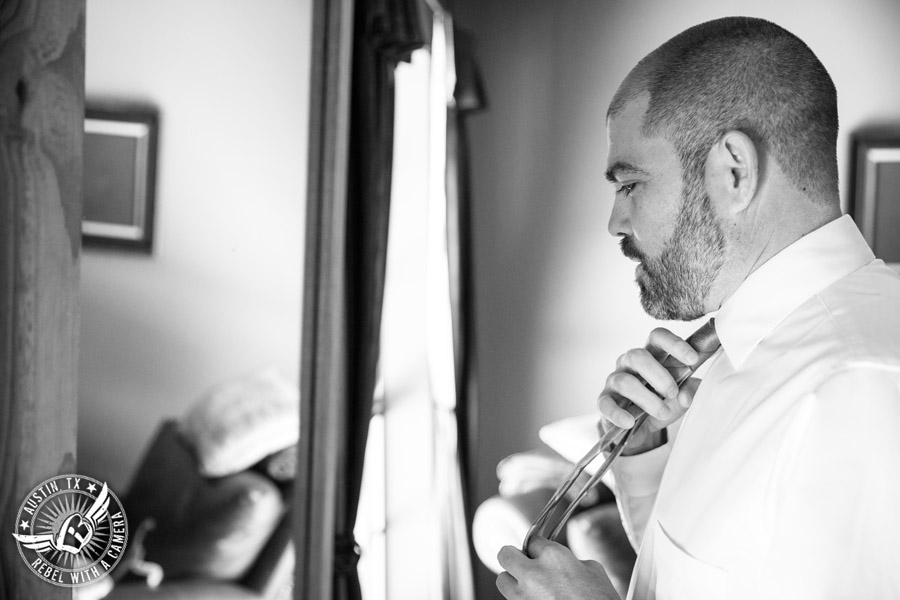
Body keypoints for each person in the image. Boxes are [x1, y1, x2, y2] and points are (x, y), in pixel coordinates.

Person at [496, 16, 900, 600]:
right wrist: (641, 451)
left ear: (734, 170)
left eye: (630, 184)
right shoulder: (740, 350)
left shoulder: (854, 389)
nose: (615, 221)